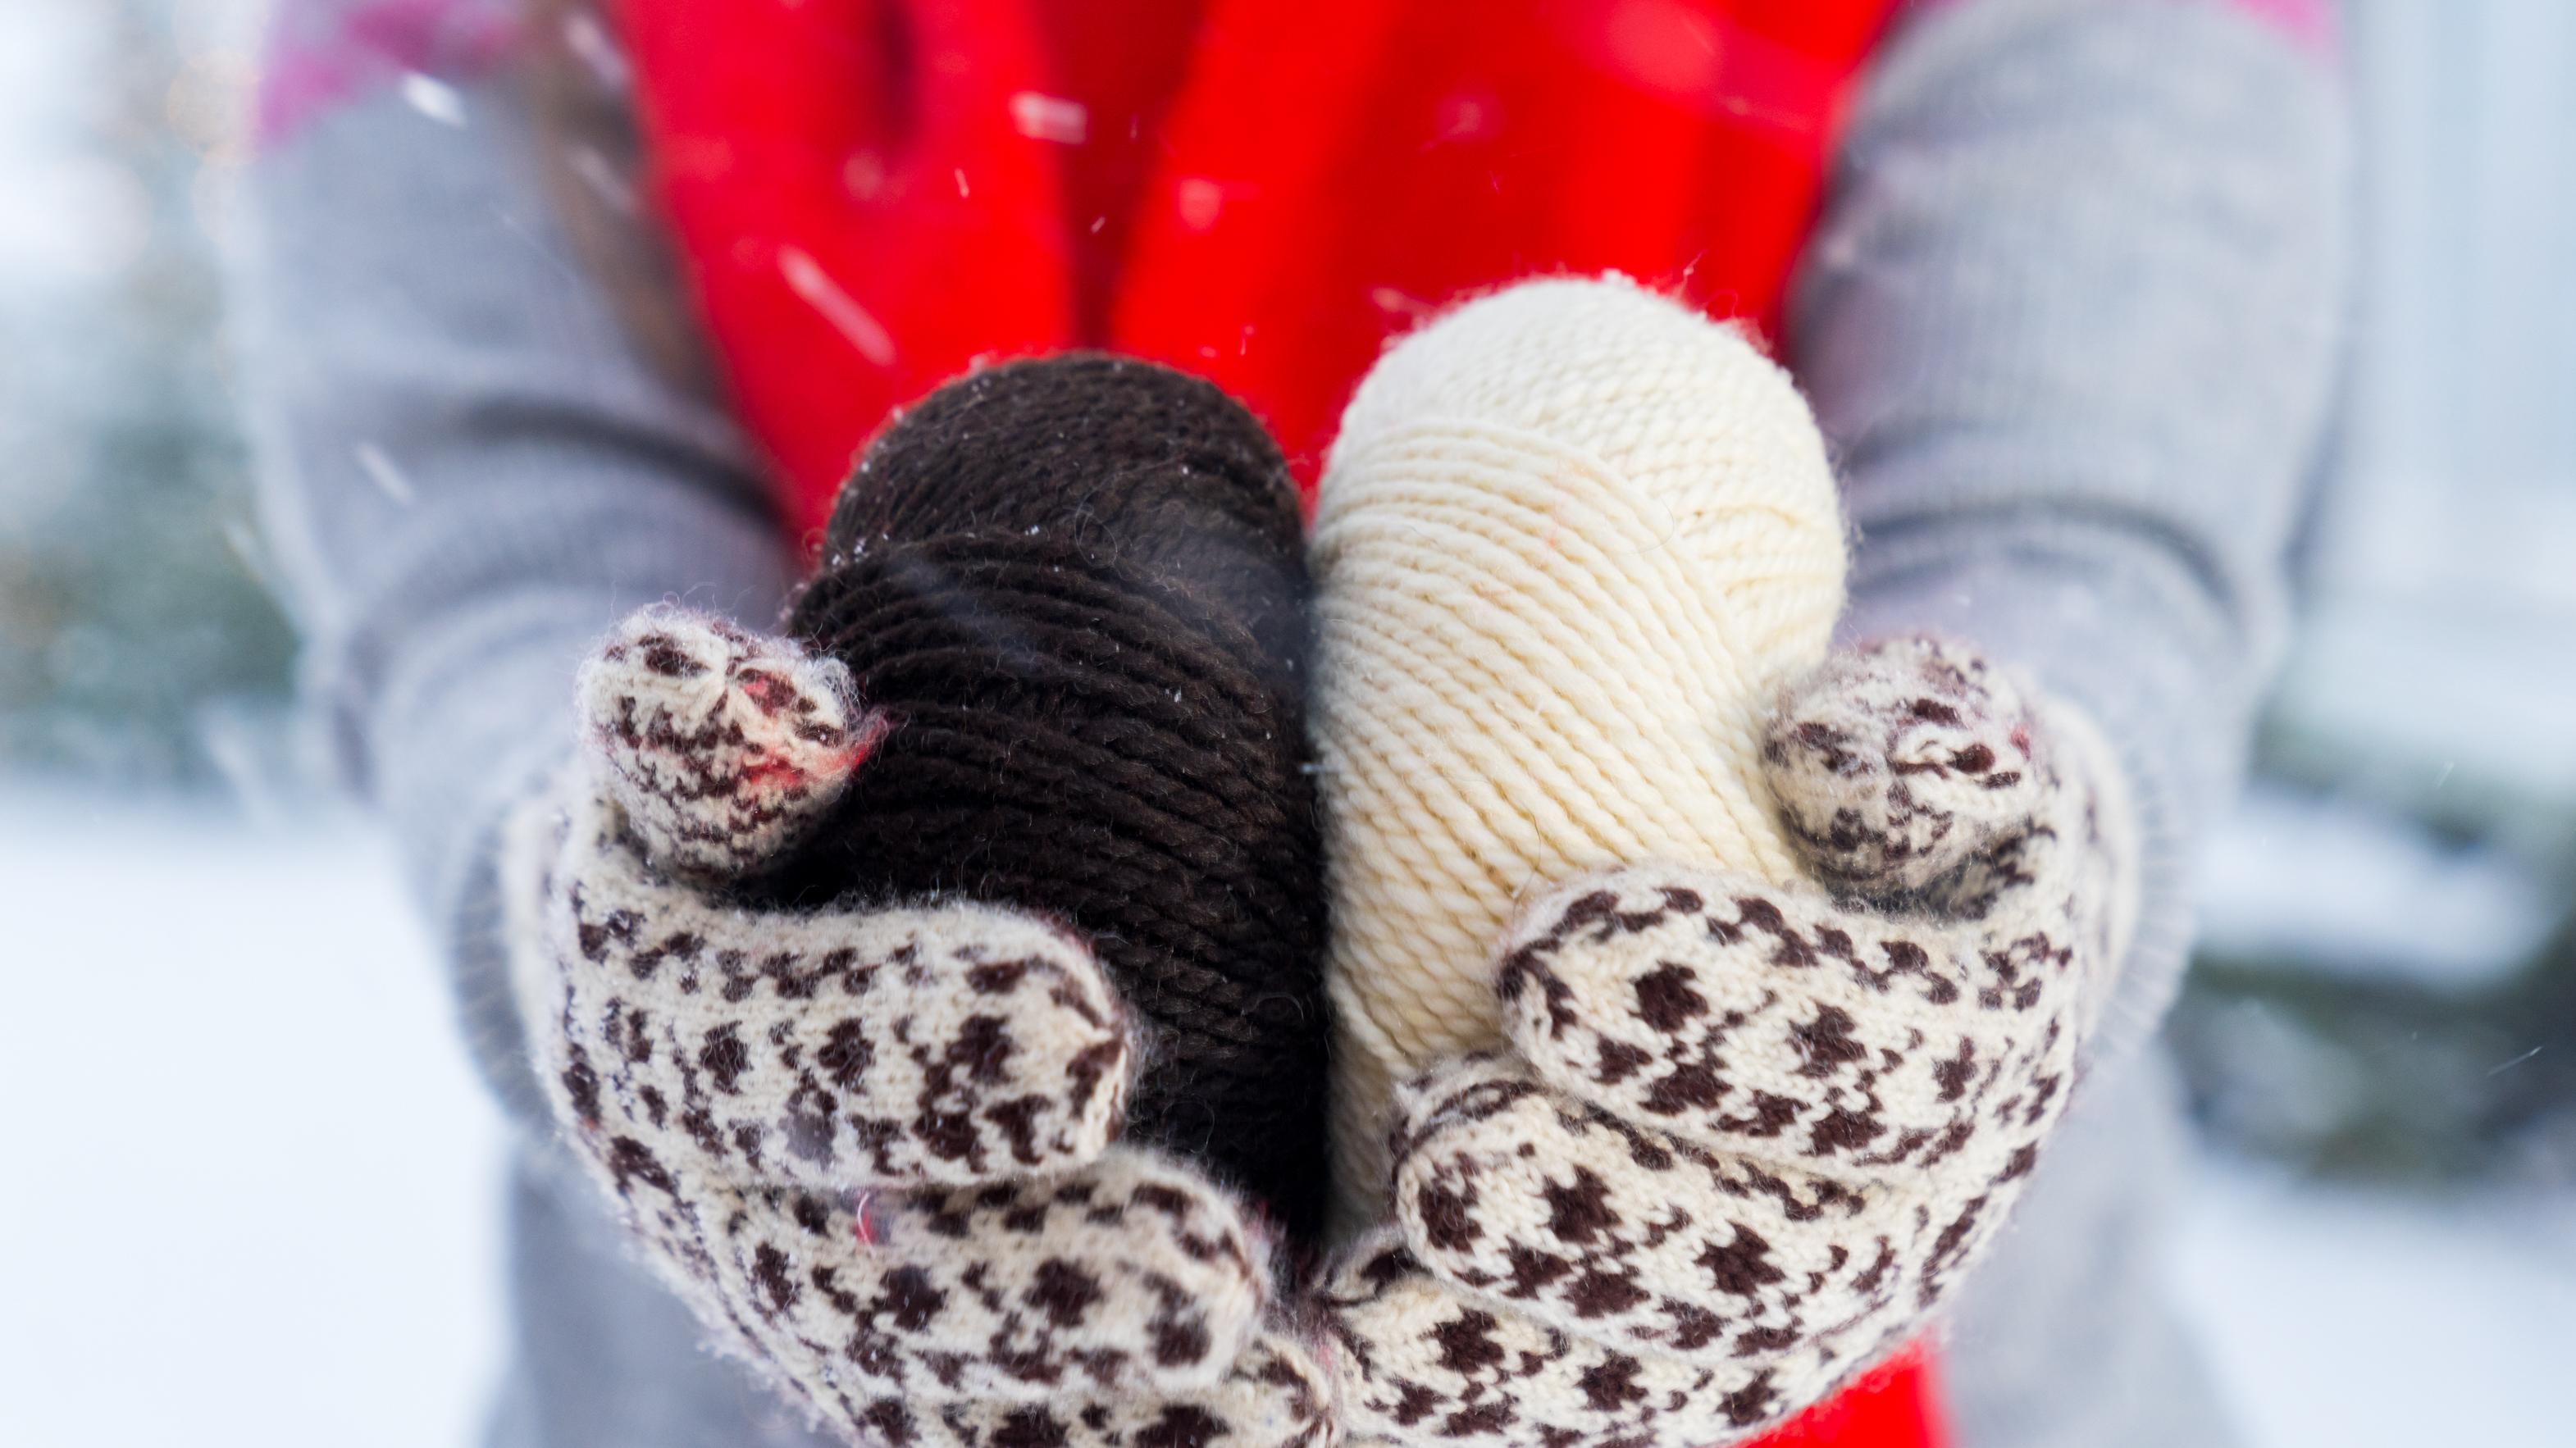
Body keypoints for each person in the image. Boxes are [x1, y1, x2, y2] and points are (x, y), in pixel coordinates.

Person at [239, 2, 2349, 1445]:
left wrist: (2012, 897)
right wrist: (586, 920)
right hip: (799, 1353)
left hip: (1920, 1389)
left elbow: (2069, 514)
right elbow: (489, 547)